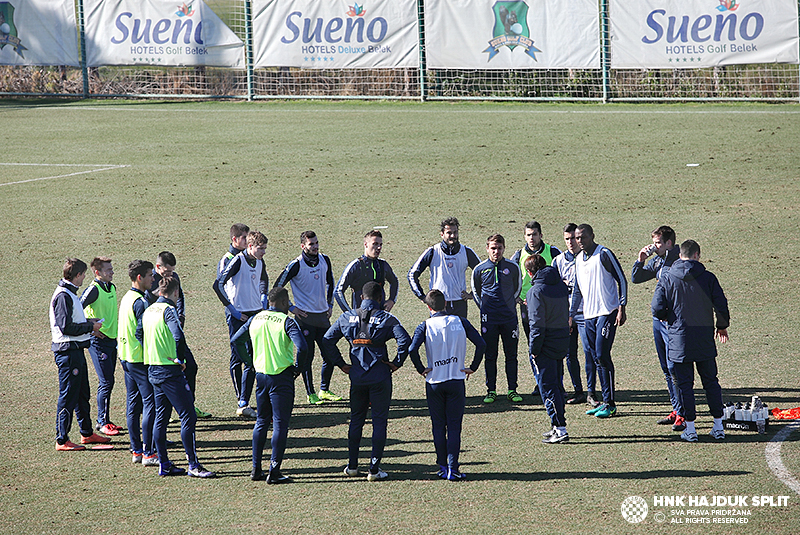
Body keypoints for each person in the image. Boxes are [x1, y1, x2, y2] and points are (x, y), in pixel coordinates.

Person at [323, 281, 410, 481]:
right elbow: (405, 341)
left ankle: (352, 466)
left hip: (357, 377)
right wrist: (396, 363)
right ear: (380, 298)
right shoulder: (387, 318)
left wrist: (341, 364)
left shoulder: (346, 317)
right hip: (380, 376)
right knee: (379, 421)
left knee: (356, 420)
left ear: (362, 298)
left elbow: (327, 339)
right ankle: (374, 469)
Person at [652, 239, 730, 443]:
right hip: (704, 338)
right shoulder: (708, 278)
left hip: (679, 339)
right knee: (711, 382)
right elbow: (721, 305)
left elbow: (657, 308)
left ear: (680, 256)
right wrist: (721, 326)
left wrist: (668, 317)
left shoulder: (667, 278)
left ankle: (691, 429)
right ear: (698, 255)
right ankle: (718, 426)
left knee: (684, 385)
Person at [231, 287, 309, 483]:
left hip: (261, 377)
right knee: (280, 424)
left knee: (262, 422)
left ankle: (256, 469)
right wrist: (298, 368)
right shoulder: (287, 322)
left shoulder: (255, 318)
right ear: (283, 303)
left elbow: (236, 340)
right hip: (281, 378)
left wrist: (249, 361)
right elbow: (303, 346)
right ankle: (274, 472)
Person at [408, 290, 485, 481]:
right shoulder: (460, 321)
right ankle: (453, 467)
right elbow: (481, 344)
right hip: (456, 381)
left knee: (438, 426)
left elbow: (411, 349)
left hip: (434, 382)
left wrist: (421, 369)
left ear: (428, 306)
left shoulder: (424, 325)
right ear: (446, 304)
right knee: (454, 427)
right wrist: (472, 367)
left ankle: (442, 466)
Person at [143, 276, 214, 477]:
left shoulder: (149, 310)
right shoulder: (169, 310)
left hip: (153, 369)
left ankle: (164, 464)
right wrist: (180, 359)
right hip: (169, 370)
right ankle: (193, 465)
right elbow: (178, 336)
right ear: (175, 292)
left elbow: (140, 333)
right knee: (188, 416)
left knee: (161, 418)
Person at [274, 231, 342, 405]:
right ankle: (310, 393)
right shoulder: (295, 265)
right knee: (308, 357)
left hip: (322, 317)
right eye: (311, 244)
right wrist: (291, 307)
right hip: (304, 319)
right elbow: (276, 288)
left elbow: (331, 282)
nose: (316, 246)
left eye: (317, 243)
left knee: (329, 355)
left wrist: (330, 304)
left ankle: (324, 390)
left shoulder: (325, 260)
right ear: (303, 246)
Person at [50, 258, 110, 451]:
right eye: (83, 274)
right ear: (77, 275)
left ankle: (87, 433)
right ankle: (62, 440)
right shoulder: (63, 296)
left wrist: (88, 322)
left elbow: (73, 320)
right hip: (67, 353)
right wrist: (89, 326)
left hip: (76, 351)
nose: (85, 277)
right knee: (68, 396)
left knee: (83, 393)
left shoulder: (70, 294)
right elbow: (65, 327)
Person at [570, 224, 627, 419]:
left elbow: (621, 279)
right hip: (589, 316)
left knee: (602, 354)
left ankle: (610, 403)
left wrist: (622, 307)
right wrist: (571, 314)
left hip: (607, 312)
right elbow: (577, 290)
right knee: (595, 357)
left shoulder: (604, 253)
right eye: (577, 238)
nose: (580, 241)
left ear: (592, 236)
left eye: (583, 237)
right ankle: (604, 401)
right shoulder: (578, 259)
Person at [631, 225, 684, 431]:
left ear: (669, 243)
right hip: (658, 322)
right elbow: (636, 278)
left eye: (658, 243)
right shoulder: (658, 260)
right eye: (654, 242)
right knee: (665, 369)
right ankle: (676, 409)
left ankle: (682, 413)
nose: (655, 246)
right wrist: (641, 260)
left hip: (672, 322)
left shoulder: (679, 260)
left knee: (674, 369)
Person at [147, 251, 211, 419]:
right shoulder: (150, 279)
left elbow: (180, 296)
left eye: (172, 271)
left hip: (173, 327)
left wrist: (181, 315)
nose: (170, 274)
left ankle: (189, 404)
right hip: (158, 334)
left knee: (191, 367)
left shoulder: (174, 276)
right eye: (167, 271)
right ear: (158, 267)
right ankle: (162, 413)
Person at [214, 231, 270, 417]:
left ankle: (245, 402)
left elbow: (264, 279)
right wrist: (232, 309)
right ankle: (243, 401)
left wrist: (263, 297)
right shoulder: (238, 260)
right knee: (242, 357)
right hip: (239, 317)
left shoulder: (259, 261)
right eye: (260, 249)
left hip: (256, 314)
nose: (263, 252)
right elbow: (218, 284)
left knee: (254, 358)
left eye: (264, 249)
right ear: (250, 246)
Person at [471, 234, 523, 404]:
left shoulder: (513, 267)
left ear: (504, 249)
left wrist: (509, 304)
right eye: (493, 248)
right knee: (490, 355)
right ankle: (491, 390)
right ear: (487, 249)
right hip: (489, 320)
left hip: (509, 318)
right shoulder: (479, 269)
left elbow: (518, 288)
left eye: (499, 248)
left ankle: (512, 390)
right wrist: (485, 309)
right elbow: (476, 292)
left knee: (511, 355)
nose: (496, 251)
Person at [525, 255, 571, 444]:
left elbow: (536, 324)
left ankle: (559, 428)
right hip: (561, 341)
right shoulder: (560, 285)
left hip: (545, 344)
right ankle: (557, 425)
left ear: (530, 273)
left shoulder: (536, 291)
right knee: (557, 385)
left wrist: (534, 348)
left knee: (547, 387)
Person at [117, 260, 157, 465]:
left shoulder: (126, 297)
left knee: (133, 404)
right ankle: (149, 452)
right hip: (140, 359)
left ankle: (136, 450)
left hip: (126, 357)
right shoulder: (140, 301)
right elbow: (142, 332)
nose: (153, 278)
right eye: (150, 274)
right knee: (150, 403)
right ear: (140, 278)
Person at [552, 223, 594, 406]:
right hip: (565, 315)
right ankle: (578, 391)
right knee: (569, 354)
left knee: (589, 352)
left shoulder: (588, 259)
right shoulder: (558, 261)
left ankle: (592, 391)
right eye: (567, 239)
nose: (571, 242)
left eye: (573, 238)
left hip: (585, 313)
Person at [407, 217, 481, 318]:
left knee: (460, 334)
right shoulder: (433, 251)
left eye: (455, 232)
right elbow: (412, 274)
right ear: (442, 234)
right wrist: (422, 296)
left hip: (460, 304)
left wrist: (472, 294)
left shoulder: (466, 252)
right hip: (438, 304)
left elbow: (484, 273)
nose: (453, 236)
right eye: (449, 233)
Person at [81, 256, 121, 436]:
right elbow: (75, 308)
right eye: (108, 270)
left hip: (112, 341)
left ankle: (105, 420)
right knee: (106, 381)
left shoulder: (111, 287)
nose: (112, 272)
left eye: (112, 269)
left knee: (109, 380)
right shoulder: (93, 290)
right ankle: (102, 421)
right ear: (97, 273)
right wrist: (90, 328)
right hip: (98, 342)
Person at [510, 221, 562, 341]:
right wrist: (515, 296)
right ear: (524, 237)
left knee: (550, 338)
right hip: (527, 303)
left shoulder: (552, 252)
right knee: (532, 339)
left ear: (541, 235)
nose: (531, 238)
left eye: (534, 234)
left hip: (549, 302)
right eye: (528, 235)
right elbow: (508, 277)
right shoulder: (518, 255)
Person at [334, 230, 398, 313]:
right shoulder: (355, 266)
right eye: (375, 244)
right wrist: (349, 314)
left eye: (380, 244)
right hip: (361, 320)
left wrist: (392, 300)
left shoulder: (383, 265)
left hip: (379, 319)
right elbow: (338, 291)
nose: (379, 247)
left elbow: (394, 281)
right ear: (366, 244)